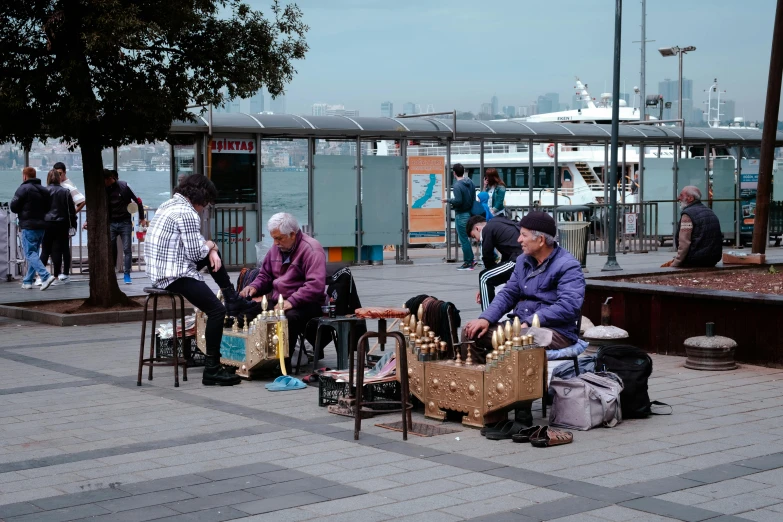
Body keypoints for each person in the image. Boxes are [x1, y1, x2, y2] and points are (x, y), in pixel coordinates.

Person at [463, 211, 585, 428]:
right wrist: (485, 318)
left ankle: (522, 412)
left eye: (524, 235)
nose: (519, 240)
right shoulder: (522, 261)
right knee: (475, 333)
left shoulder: (568, 265)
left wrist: (532, 320)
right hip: (523, 325)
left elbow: (569, 307)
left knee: (518, 342)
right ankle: (490, 402)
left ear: (540, 239)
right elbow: (508, 294)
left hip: (556, 331)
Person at [145, 175, 256, 386]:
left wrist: (211, 249)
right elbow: (197, 252)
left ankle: (231, 296)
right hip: (173, 275)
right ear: (200, 197)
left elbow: (197, 248)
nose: (204, 209)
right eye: (205, 204)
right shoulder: (187, 213)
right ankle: (212, 369)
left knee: (211, 252)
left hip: (159, 271)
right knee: (217, 311)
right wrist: (212, 246)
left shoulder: (168, 205)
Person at [239, 213, 327, 373]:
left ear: (292, 234)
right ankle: (252, 359)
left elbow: (315, 285)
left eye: (279, 238)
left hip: (307, 303)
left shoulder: (312, 249)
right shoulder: (276, 249)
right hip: (279, 300)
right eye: (273, 238)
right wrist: (255, 287)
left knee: (289, 319)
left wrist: (292, 301)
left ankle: (282, 365)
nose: (275, 243)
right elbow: (265, 275)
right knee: (244, 315)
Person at [10, 167, 56, 290]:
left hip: (28, 225)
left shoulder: (23, 188)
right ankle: (28, 281)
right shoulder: (44, 190)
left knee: (30, 253)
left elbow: (13, 206)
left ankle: (45, 276)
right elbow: (48, 207)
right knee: (34, 253)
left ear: (25, 176)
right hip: (41, 226)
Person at [466, 215, 522, 311]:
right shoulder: (499, 223)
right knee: (491, 277)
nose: (477, 240)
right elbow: (505, 258)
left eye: (474, 236)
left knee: (484, 277)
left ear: (477, 228)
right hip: (521, 258)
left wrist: (486, 282)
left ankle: (487, 319)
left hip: (519, 259)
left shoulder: (487, 229)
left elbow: (487, 256)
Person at [661, 186, 723, 268]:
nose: (678, 198)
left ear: (690, 198)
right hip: (713, 258)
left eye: (681, 195)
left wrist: (676, 263)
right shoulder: (710, 211)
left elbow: (684, 242)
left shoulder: (688, 215)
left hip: (696, 260)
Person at [104, 169, 147, 284]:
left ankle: (127, 274)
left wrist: (142, 218)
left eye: (105, 181)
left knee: (127, 249)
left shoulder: (124, 186)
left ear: (109, 179)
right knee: (111, 248)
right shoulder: (104, 189)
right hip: (111, 222)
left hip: (125, 222)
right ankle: (112, 272)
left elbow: (138, 201)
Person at [39, 169, 77, 284]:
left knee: (45, 250)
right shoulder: (65, 192)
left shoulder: (43, 191)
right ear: (59, 178)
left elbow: (40, 210)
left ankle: (42, 276)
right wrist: (73, 225)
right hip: (62, 224)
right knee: (59, 250)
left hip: (46, 223)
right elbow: (71, 211)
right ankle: (57, 275)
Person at [442, 163, 478, 270]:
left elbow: (458, 201)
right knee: (467, 239)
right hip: (470, 213)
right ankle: (471, 260)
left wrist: (448, 200)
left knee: (463, 240)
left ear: (454, 173)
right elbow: (473, 197)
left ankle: (468, 262)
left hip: (461, 215)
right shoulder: (470, 182)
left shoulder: (457, 186)